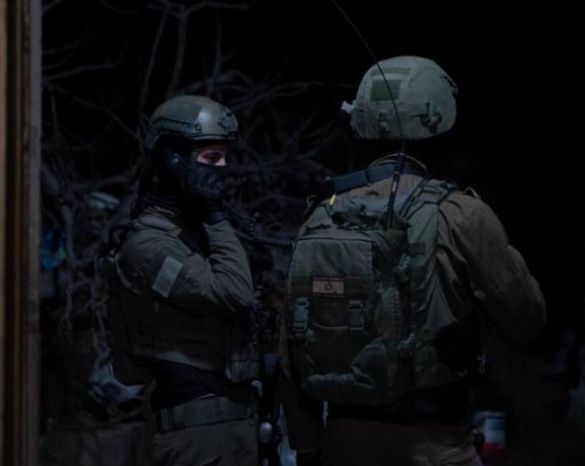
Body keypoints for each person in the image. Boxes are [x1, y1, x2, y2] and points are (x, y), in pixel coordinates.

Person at [283, 56, 546, 466]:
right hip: (437, 445)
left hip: (342, 443)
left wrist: (307, 445)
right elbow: (527, 319)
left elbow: (292, 348)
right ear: (439, 121)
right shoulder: (460, 214)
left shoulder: (321, 215)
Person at [114, 95, 259, 466]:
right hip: (199, 436)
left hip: (235, 427)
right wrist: (214, 213)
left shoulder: (194, 232)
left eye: (225, 157)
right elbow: (234, 293)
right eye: (211, 158)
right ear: (175, 162)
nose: (223, 168)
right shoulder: (147, 247)